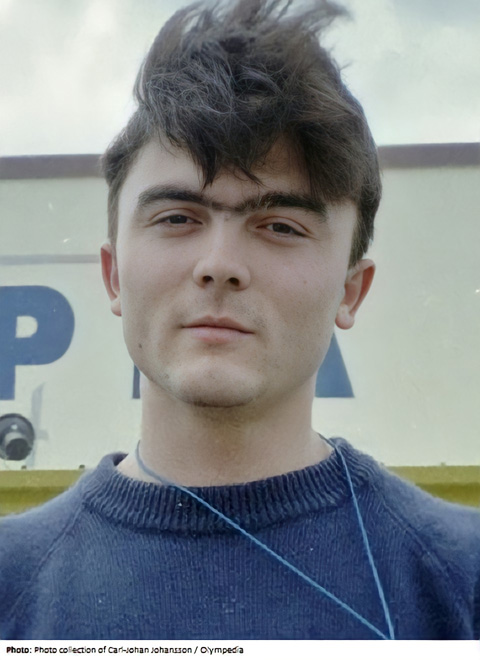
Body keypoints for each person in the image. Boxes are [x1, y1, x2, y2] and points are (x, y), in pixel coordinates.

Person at [1, 0, 479, 642]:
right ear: (113, 275)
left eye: (280, 226)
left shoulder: (460, 579)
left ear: (351, 291)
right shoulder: (11, 582)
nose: (220, 265)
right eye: (177, 217)